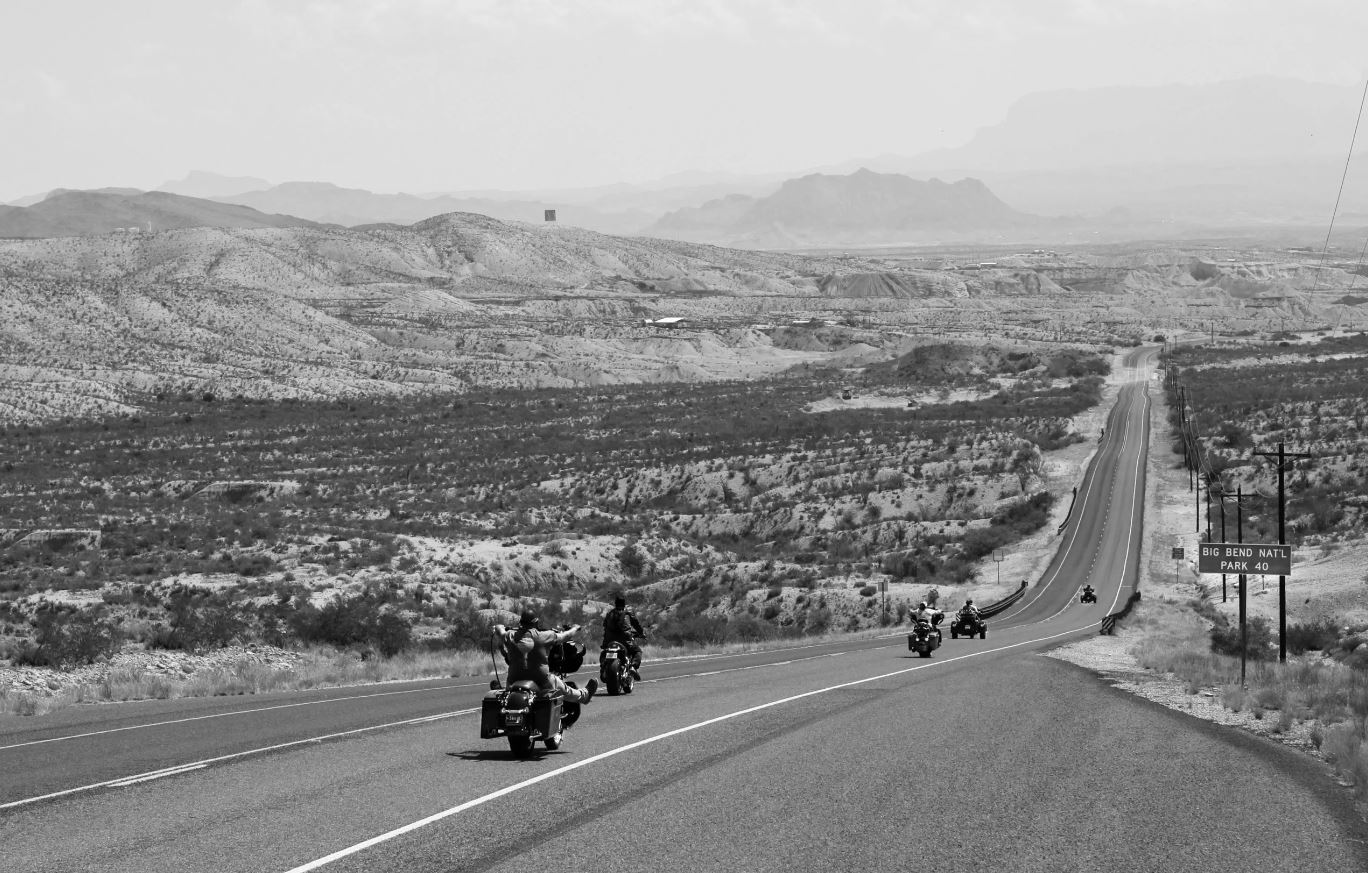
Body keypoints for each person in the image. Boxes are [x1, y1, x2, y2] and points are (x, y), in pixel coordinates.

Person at [492, 610, 597, 704]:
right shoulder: (544, 636)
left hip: (514, 680)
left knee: (506, 691)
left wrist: (500, 626)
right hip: (541, 680)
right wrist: (575, 628)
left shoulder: (510, 635)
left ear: (521, 623)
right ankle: (584, 696)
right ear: (536, 623)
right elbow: (566, 636)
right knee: (564, 689)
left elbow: (499, 630)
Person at [602, 595, 646, 679]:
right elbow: (636, 625)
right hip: (625, 641)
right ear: (624, 604)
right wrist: (641, 633)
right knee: (637, 651)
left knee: (604, 652)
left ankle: (603, 667)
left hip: (609, 641)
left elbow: (605, 626)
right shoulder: (628, 613)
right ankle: (633, 667)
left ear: (615, 604)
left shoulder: (609, 614)